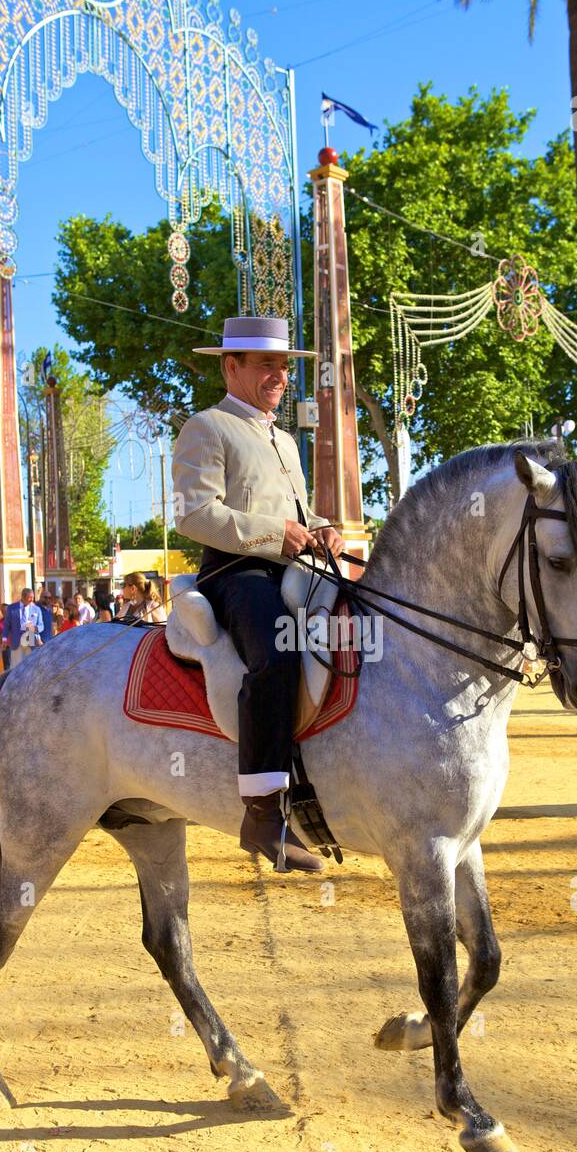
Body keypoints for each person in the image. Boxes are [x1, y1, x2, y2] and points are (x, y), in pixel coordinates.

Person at [172, 315, 343, 874]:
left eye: (283, 365)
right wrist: (278, 536)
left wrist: (320, 527)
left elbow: (294, 510)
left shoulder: (286, 440)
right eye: (266, 364)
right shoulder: (208, 426)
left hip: (293, 566)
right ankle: (263, 813)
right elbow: (196, 515)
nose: (278, 375)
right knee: (277, 655)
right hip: (236, 574)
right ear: (231, 366)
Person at [2, 587, 45, 667]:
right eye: (30, 598)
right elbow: (7, 625)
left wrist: (35, 628)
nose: (32, 600)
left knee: (30, 666)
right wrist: (4, 639)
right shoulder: (12, 608)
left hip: (30, 639)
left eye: (33, 597)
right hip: (16, 640)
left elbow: (41, 625)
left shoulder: (36, 609)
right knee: (16, 667)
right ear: (22, 597)